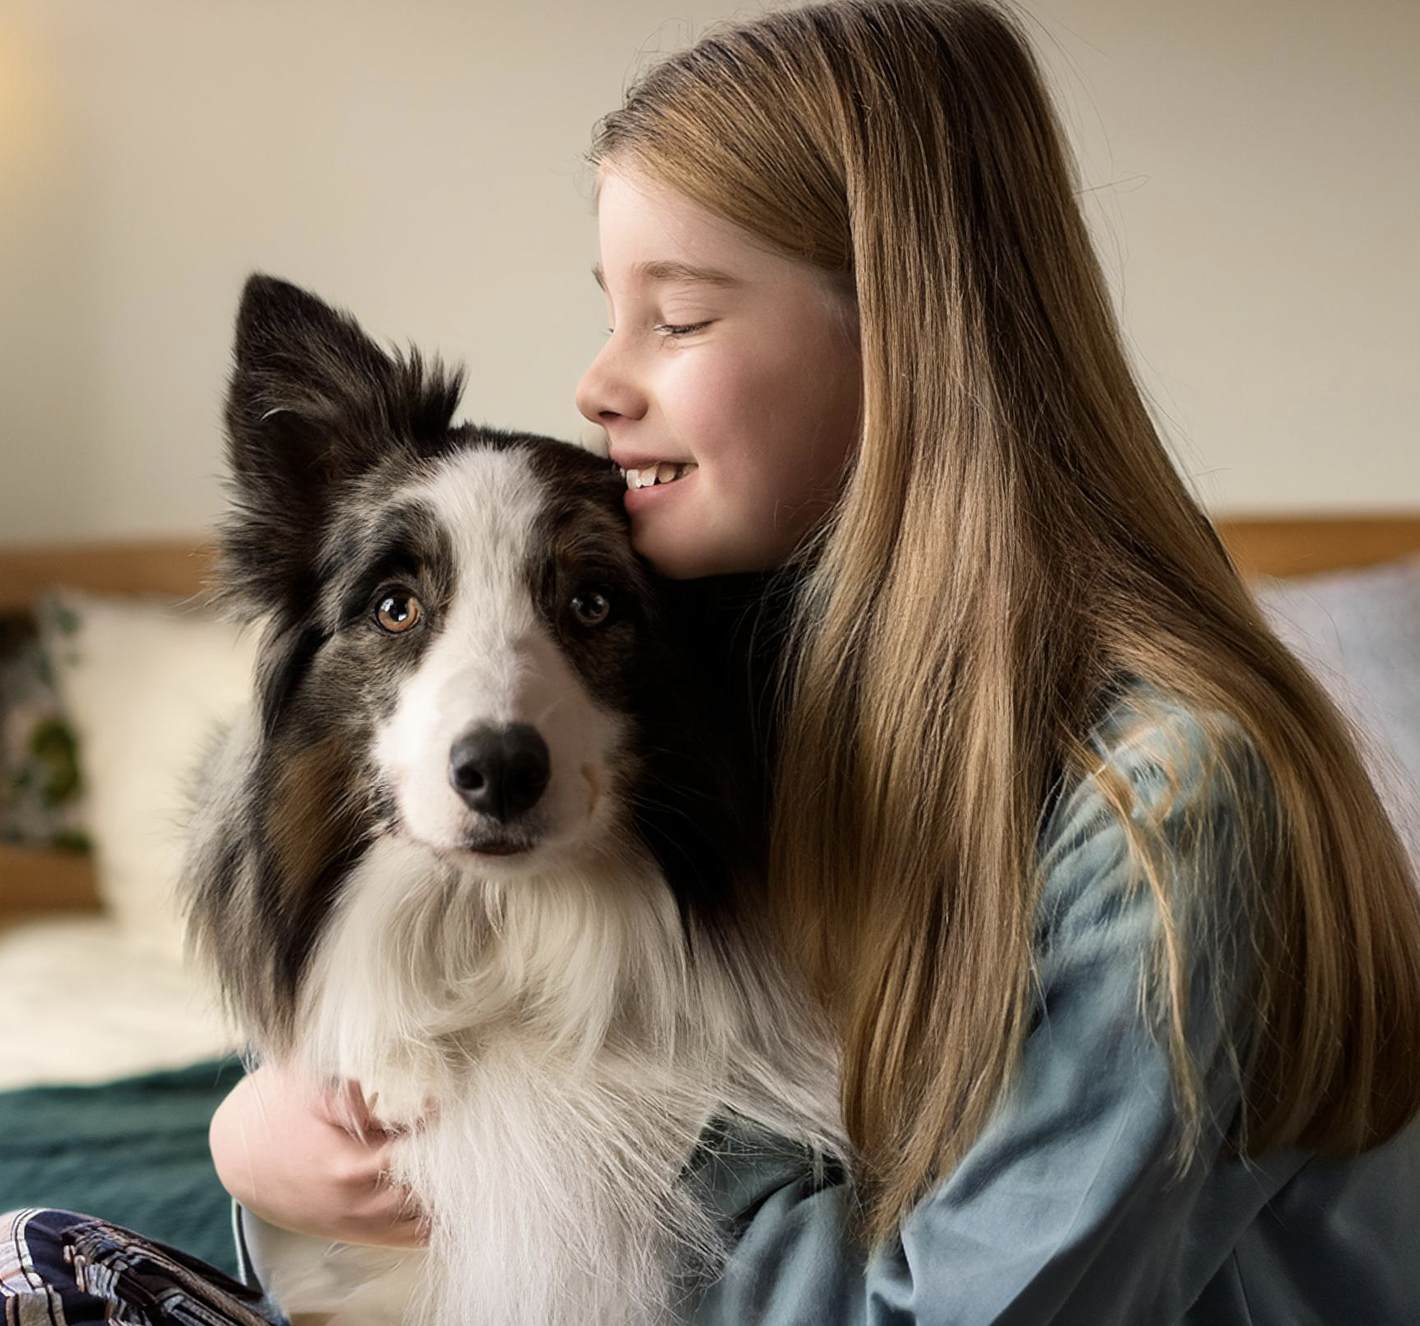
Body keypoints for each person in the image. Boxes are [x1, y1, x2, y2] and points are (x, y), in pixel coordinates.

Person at [6, 1, 1419, 1322]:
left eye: (675, 317)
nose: (596, 381)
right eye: (609, 308)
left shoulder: (1167, 803)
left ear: (914, 340)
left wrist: (462, 1175)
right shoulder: (767, 671)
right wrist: (275, 1146)